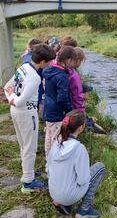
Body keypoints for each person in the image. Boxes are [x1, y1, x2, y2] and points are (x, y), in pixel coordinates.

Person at [4, 44, 56, 193]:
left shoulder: (24, 67)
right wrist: (13, 98)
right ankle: (28, 182)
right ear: (43, 61)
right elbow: (19, 100)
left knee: (23, 145)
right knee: (30, 148)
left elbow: (7, 86)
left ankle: (29, 172)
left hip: (15, 111)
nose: (50, 64)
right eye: (49, 61)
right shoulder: (35, 78)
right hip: (26, 113)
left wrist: (10, 98)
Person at [47, 110, 106, 217]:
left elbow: (48, 169)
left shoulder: (56, 143)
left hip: (54, 193)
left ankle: (64, 204)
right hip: (68, 196)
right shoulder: (79, 148)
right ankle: (84, 210)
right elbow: (83, 180)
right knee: (100, 167)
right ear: (81, 127)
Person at [42, 46, 77, 158]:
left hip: (48, 108)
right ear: (68, 60)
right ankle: (56, 164)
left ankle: (48, 163)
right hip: (58, 112)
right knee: (57, 139)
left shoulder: (48, 70)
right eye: (73, 61)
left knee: (49, 137)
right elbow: (62, 98)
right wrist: (70, 110)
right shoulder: (62, 76)